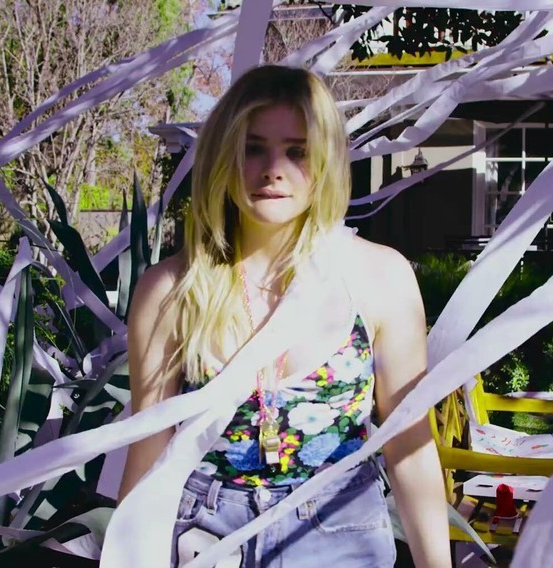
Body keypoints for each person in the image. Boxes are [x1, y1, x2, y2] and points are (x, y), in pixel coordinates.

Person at [119, 64, 449, 567]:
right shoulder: (172, 290)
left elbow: (409, 442)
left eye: (297, 151)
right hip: (206, 533)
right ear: (223, 156)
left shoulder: (380, 278)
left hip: (339, 530)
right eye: (253, 148)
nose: (273, 169)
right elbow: (148, 456)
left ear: (326, 160)